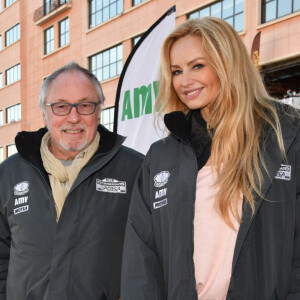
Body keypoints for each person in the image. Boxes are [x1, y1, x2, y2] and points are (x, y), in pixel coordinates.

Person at [121, 17, 300, 300]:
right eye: (176, 71)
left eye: (198, 66)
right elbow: (141, 256)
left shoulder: (286, 135)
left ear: (227, 63)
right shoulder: (161, 156)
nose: (185, 81)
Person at [0, 62, 144, 300]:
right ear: (45, 114)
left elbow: (149, 258)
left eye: (85, 105)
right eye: (61, 106)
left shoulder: (136, 171)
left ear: (98, 112)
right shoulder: (8, 175)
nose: (74, 117)